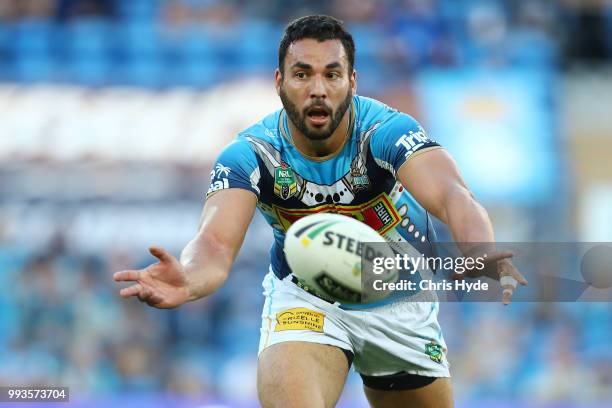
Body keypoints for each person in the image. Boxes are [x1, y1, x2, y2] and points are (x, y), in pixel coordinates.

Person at [113, 15, 527, 408]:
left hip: (401, 300)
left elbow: (454, 195)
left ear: (351, 81)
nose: (318, 88)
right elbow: (215, 244)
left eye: (331, 74)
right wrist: (189, 278)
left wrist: (480, 249)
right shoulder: (250, 155)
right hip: (306, 296)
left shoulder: (386, 132)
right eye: (302, 74)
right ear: (280, 82)